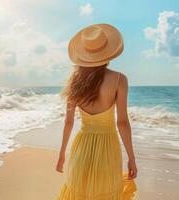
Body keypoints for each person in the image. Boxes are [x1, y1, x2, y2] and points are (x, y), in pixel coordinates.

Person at [56, 23, 137, 200]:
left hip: (82, 145)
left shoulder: (74, 82)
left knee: (79, 192)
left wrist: (62, 154)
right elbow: (122, 122)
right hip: (108, 146)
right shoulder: (119, 79)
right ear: (108, 53)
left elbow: (68, 122)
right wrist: (131, 157)